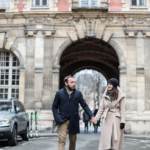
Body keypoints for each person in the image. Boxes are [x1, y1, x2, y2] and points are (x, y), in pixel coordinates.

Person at [52, 75, 97, 150]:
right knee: (62, 140)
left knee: (73, 141)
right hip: (62, 120)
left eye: (74, 82)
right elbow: (54, 107)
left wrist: (92, 116)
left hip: (74, 120)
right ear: (66, 83)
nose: (74, 84)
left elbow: (84, 105)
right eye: (71, 82)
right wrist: (57, 118)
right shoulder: (59, 93)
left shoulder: (78, 93)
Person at [91, 78, 125, 150]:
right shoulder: (105, 94)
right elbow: (101, 108)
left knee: (114, 141)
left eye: (110, 84)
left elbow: (122, 110)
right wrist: (96, 118)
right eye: (108, 84)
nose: (108, 86)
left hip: (116, 119)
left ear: (114, 85)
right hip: (106, 119)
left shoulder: (121, 95)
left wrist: (123, 121)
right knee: (106, 141)